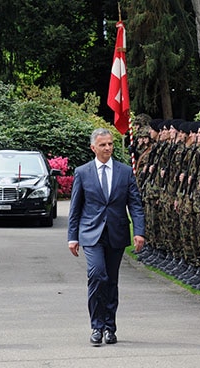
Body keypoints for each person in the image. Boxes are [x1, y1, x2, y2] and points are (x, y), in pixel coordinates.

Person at [68, 128, 145, 346]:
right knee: (97, 275)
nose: (108, 148)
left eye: (110, 144)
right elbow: (75, 208)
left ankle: (110, 327)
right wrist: (72, 237)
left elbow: (135, 205)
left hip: (116, 233)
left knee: (111, 280)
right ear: (93, 148)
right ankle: (96, 326)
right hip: (91, 234)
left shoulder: (124, 171)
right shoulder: (83, 172)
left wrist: (139, 232)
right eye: (103, 145)